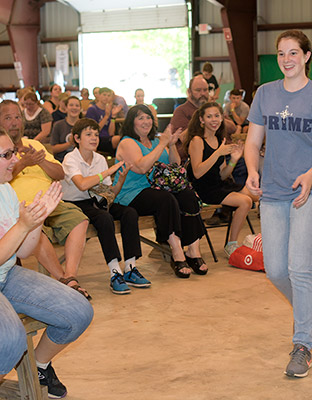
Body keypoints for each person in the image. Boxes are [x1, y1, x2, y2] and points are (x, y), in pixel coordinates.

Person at [245, 30, 312, 378]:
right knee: (275, 269)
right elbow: (252, 140)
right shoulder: (265, 94)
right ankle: (305, 309)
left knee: (300, 268)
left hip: (311, 190)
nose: (286, 59)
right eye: (281, 53)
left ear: (306, 56)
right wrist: (252, 171)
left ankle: (302, 343)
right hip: (272, 190)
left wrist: (310, 175)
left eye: (293, 53)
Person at [0, 128, 93, 398]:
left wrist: (36, 220)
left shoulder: (5, 189)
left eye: (12, 152)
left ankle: (40, 365)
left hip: (7, 275)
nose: (14, 159)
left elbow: (26, 250)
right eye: (6, 155)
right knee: (9, 341)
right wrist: (23, 224)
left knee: (78, 312)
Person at [0, 100, 91, 300]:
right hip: (25, 208)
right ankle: (62, 280)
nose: (14, 122)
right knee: (35, 231)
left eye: (17, 117)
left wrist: (40, 161)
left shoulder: (35, 144)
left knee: (79, 218)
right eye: (8, 118)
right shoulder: (5, 156)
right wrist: (23, 162)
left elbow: (59, 173)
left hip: (52, 202)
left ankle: (71, 275)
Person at [114, 104, 207, 278]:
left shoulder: (157, 141)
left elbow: (175, 164)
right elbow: (141, 167)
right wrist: (162, 144)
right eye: (140, 118)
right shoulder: (128, 142)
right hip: (131, 193)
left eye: (148, 117)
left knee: (187, 194)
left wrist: (171, 145)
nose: (146, 121)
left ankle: (194, 251)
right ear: (131, 122)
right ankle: (177, 251)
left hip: (156, 188)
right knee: (166, 199)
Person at [62, 118, 151, 294]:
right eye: (88, 134)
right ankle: (114, 272)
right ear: (77, 138)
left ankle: (130, 268)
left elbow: (110, 194)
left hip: (96, 201)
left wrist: (121, 178)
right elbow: (82, 185)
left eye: (96, 134)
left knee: (130, 213)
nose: (94, 138)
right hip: (75, 204)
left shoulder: (100, 159)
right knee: (104, 218)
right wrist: (107, 173)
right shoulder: (70, 159)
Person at [186, 102, 258, 256]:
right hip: (203, 189)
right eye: (209, 116)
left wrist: (234, 159)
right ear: (202, 120)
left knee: (258, 194)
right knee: (245, 201)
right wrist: (218, 153)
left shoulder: (219, 140)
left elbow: (223, 174)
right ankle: (231, 244)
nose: (214, 120)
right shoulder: (197, 140)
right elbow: (197, 172)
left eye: (217, 116)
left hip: (219, 184)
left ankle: (261, 239)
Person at [170, 75, 237, 163]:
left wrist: (216, 117)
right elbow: (182, 138)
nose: (202, 93)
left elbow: (233, 128)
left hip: (225, 153)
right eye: (198, 90)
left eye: (205, 90)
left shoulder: (214, 108)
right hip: (198, 157)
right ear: (189, 92)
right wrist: (201, 119)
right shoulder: (181, 111)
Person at [86, 87, 121, 155]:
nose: (106, 97)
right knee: (120, 139)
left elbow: (111, 133)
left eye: (108, 95)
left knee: (123, 140)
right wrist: (106, 116)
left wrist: (113, 117)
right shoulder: (92, 109)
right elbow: (93, 130)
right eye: (104, 95)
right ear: (98, 95)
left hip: (108, 138)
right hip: (96, 138)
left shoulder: (109, 110)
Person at [50, 95, 81, 162]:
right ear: (66, 108)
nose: (74, 108)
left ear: (80, 109)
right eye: (71, 105)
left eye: (77, 106)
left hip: (80, 161)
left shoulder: (85, 125)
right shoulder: (58, 125)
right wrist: (70, 143)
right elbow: (53, 149)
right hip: (61, 161)